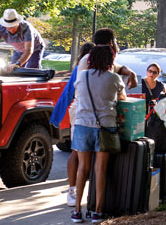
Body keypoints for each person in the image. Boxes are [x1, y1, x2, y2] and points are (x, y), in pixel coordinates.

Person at [71, 45, 126, 223]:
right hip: (105, 127)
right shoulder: (114, 78)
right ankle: (97, 212)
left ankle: (77, 211)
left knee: (82, 169)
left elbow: (78, 93)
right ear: (110, 61)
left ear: (90, 59)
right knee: (100, 169)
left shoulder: (83, 75)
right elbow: (123, 98)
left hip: (82, 126)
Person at [52, 42, 94, 208]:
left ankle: (73, 190)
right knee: (78, 152)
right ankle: (72, 190)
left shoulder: (81, 67)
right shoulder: (83, 70)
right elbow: (69, 92)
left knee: (78, 153)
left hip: (81, 112)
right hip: (81, 112)